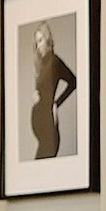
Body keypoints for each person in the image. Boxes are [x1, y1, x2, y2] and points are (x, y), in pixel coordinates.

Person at [28, 22, 77, 160]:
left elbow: (74, 82)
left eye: (40, 40)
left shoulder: (55, 62)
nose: (38, 46)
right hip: (40, 127)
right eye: (36, 43)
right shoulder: (41, 64)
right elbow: (43, 91)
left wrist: (56, 103)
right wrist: (35, 94)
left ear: (48, 38)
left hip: (48, 127)